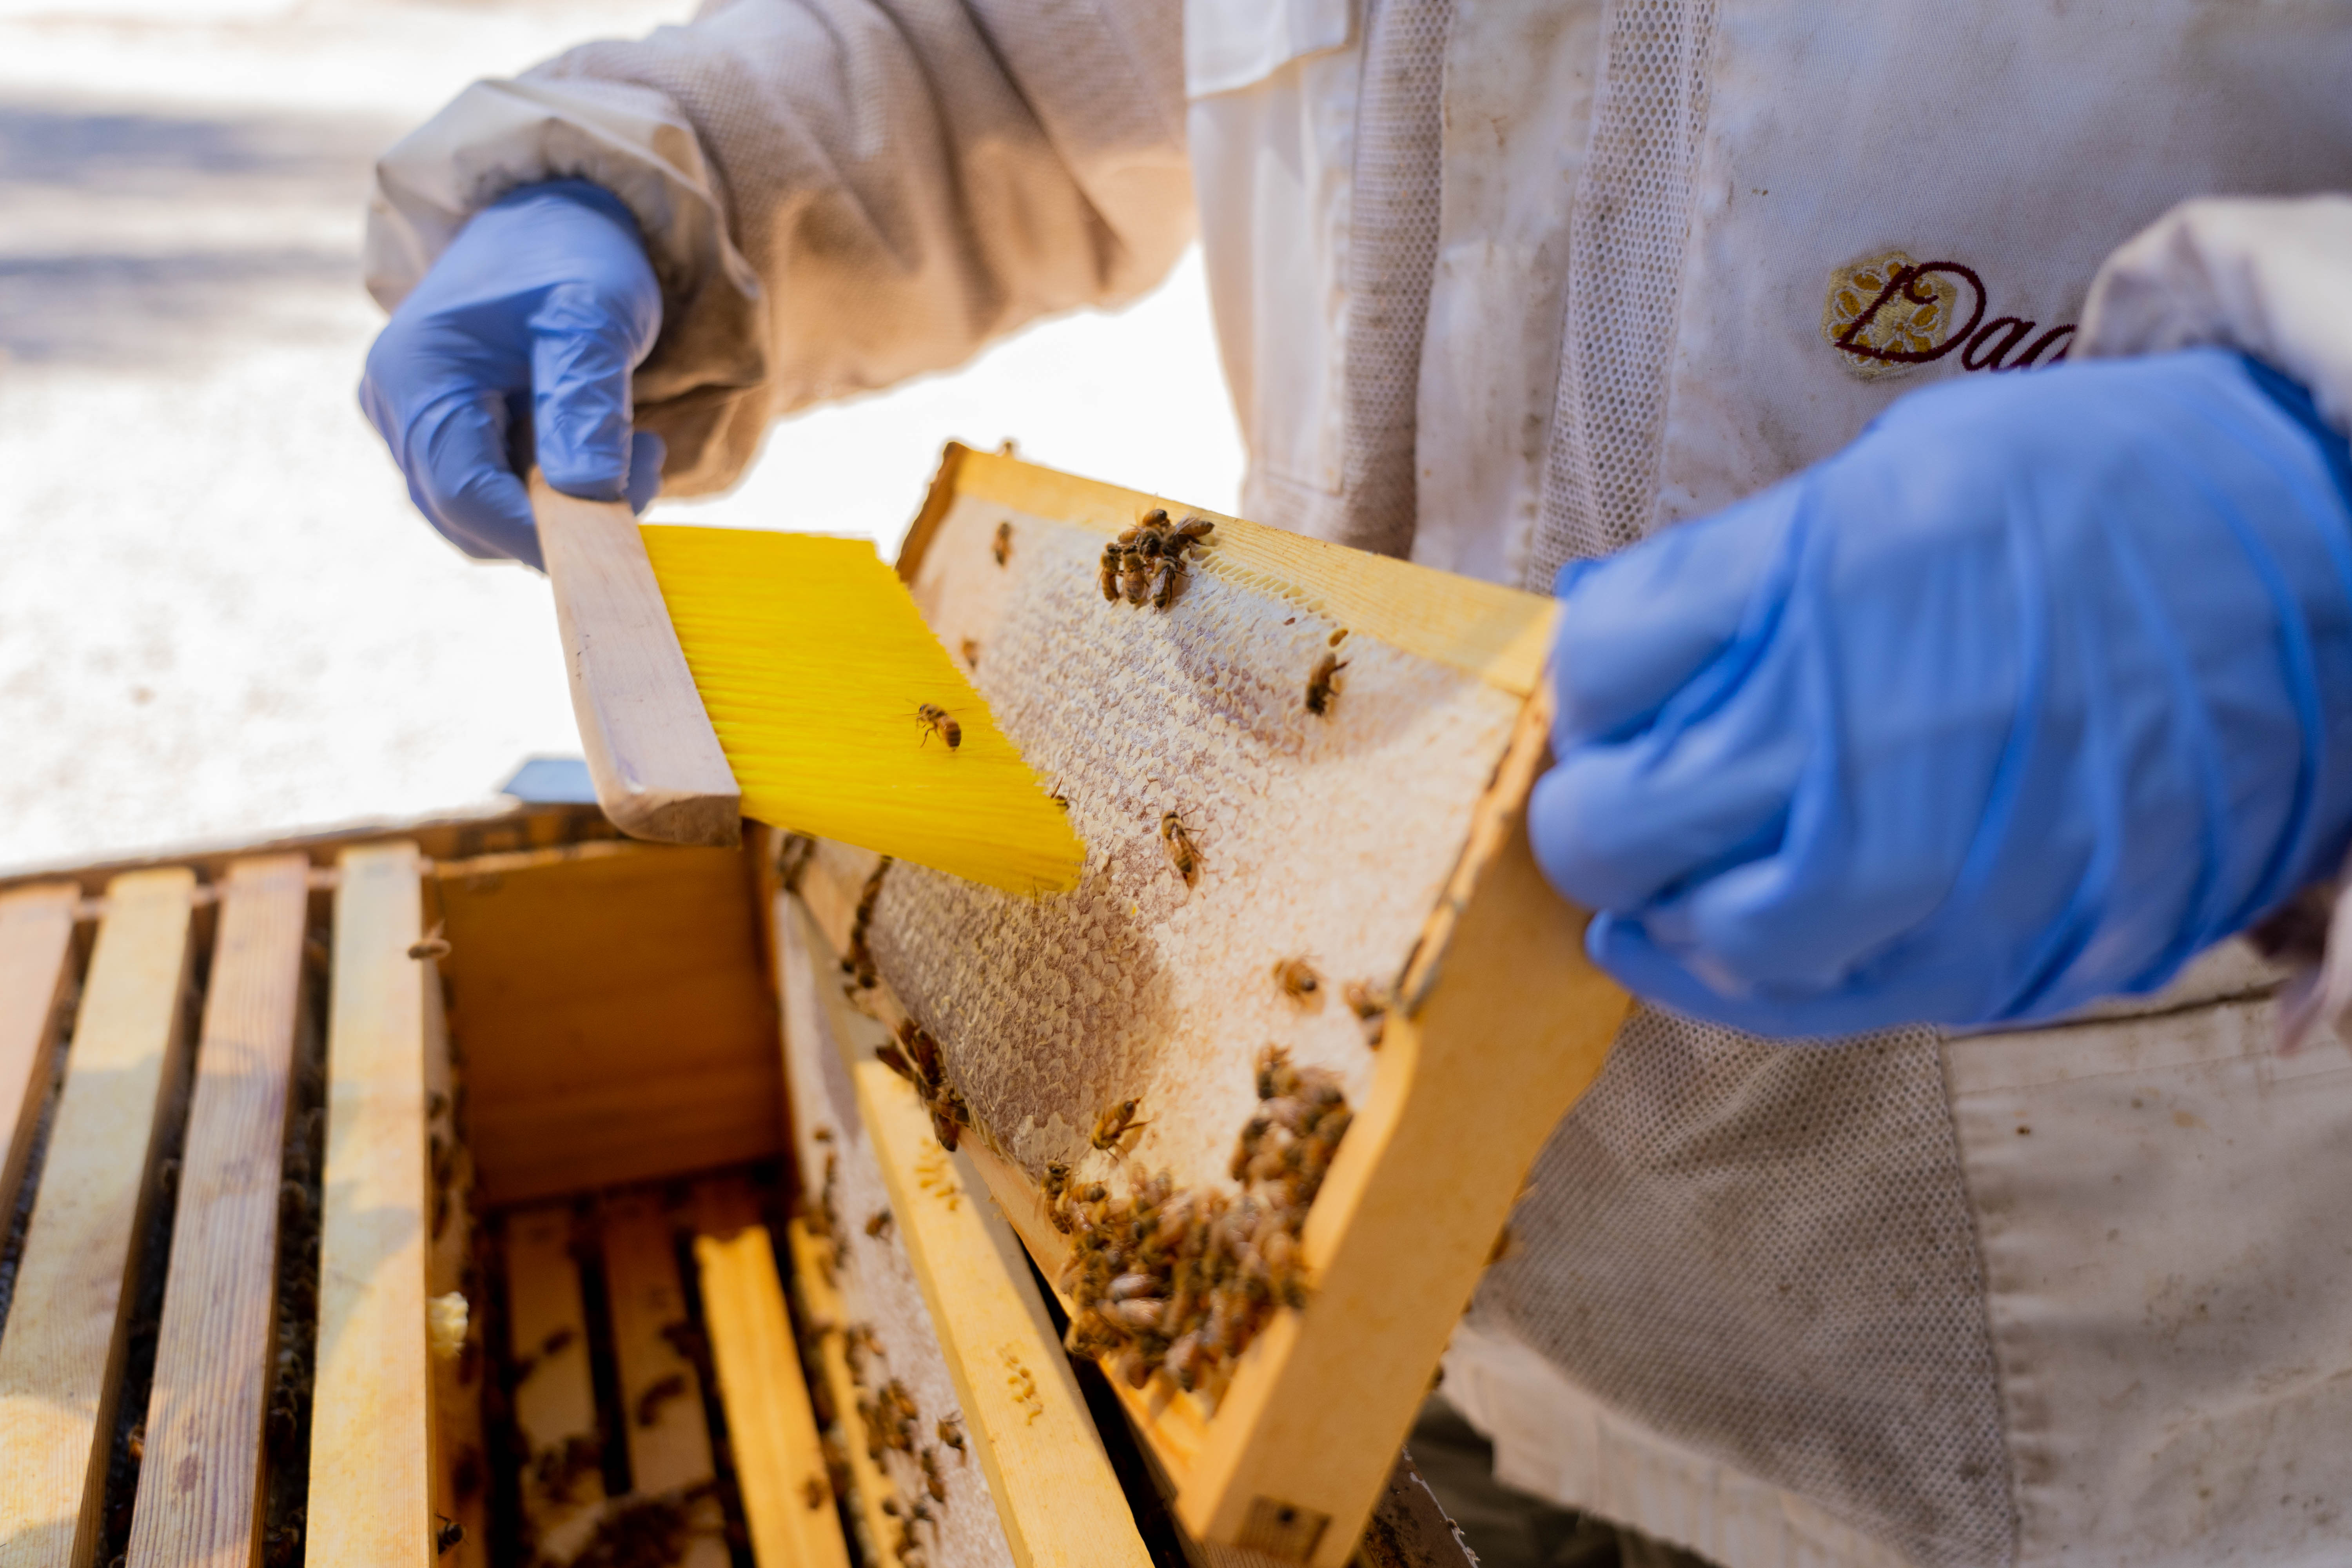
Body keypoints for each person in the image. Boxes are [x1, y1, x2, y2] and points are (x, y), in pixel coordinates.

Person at [358, 3, 2352, 1562]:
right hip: (1390, 1277)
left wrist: (2318, 507)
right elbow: (1008, 47)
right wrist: (676, 171)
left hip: (2124, 1405)